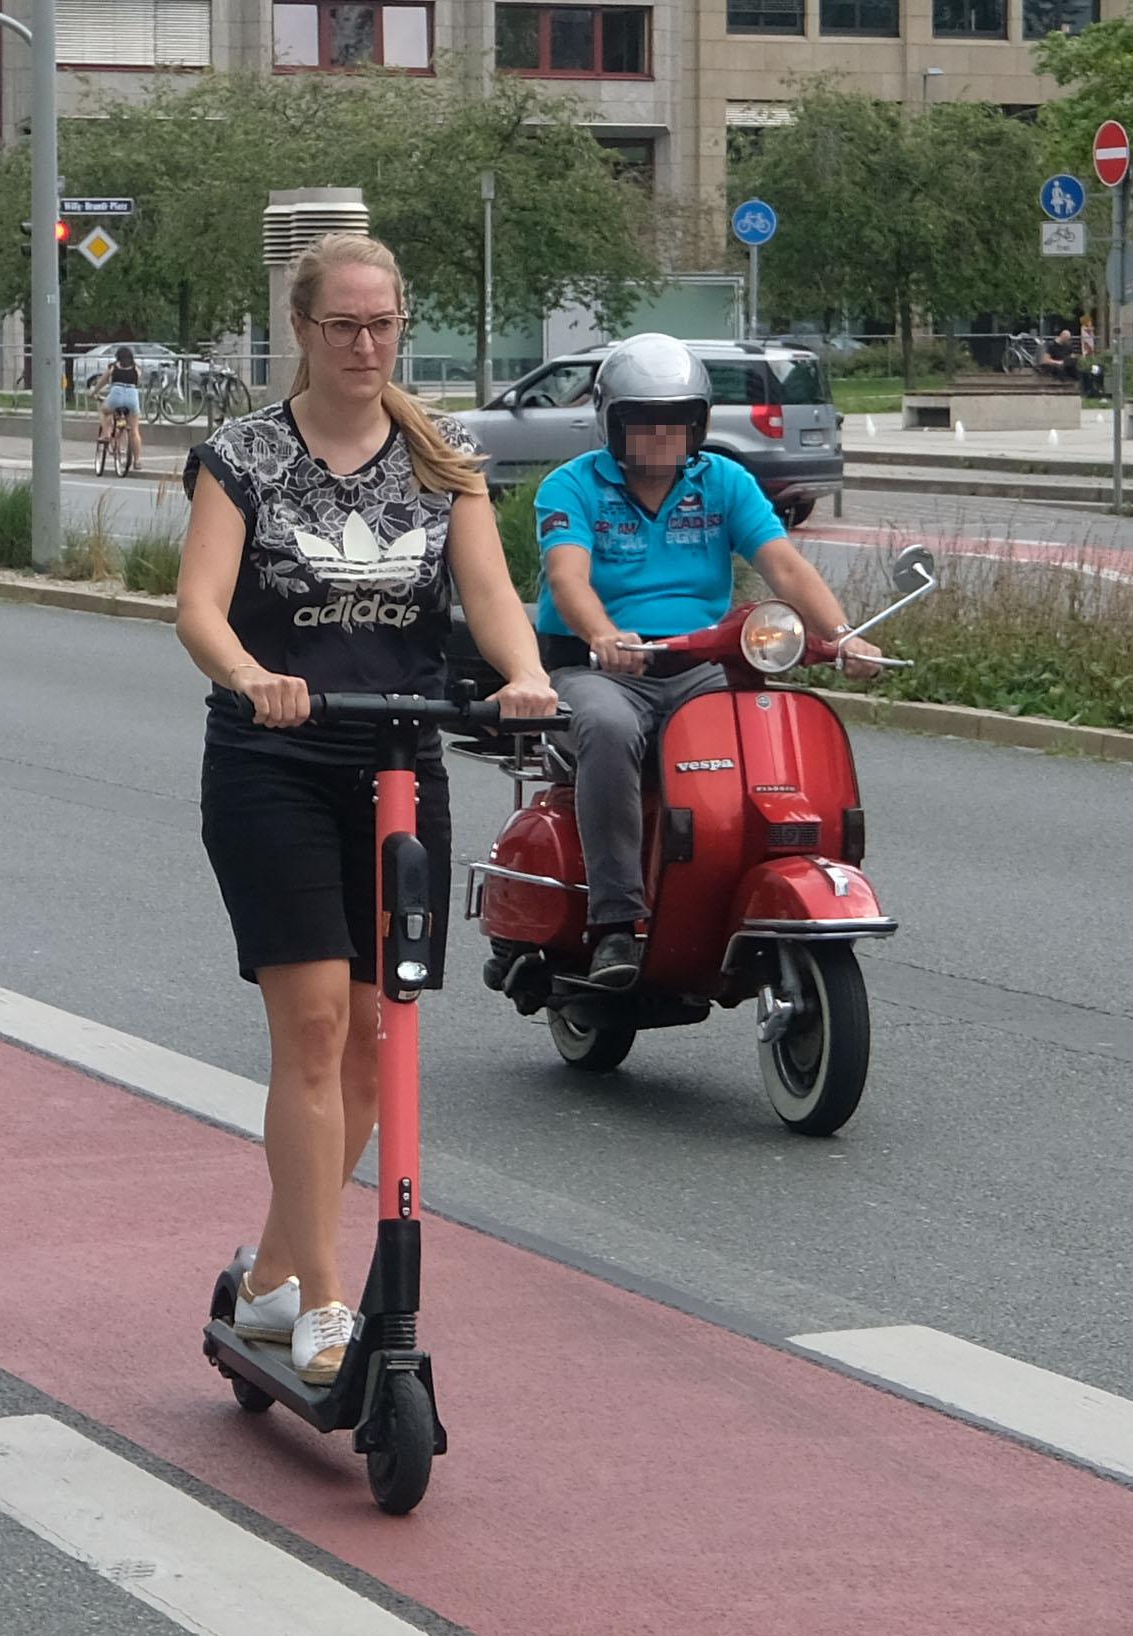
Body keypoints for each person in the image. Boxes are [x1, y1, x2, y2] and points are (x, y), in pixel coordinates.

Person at [177, 233, 557, 1386]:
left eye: (381, 322)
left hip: (399, 760)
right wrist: (251, 676)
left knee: (374, 1050)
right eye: (341, 323)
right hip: (274, 760)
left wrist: (525, 677)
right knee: (313, 1033)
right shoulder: (241, 455)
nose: (363, 344)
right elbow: (198, 606)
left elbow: (488, 595)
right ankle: (327, 1302)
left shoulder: (444, 457)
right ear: (299, 328)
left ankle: (263, 1283)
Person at [532, 334, 883, 988]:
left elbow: (782, 563)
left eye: (677, 420)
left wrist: (845, 634)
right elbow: (567, 578)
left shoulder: (723, 481)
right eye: (642, 420)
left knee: (763, 728)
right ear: (613, 420)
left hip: (701, 667)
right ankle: (615, 923)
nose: (660, 435)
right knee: (608, 730)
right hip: (601, 668)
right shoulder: (571, 487)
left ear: (697, 423)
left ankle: (741, 887)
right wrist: (605, 635)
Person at [97, 344, 142, 473]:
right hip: (132, 396)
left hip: (116, 395)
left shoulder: (113, 367)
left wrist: (94, 392)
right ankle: (137, 460)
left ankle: (106, 434)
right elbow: (137, 381)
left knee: (104, 410)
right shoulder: (137, 368)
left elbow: (103, 381)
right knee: (134, 430)